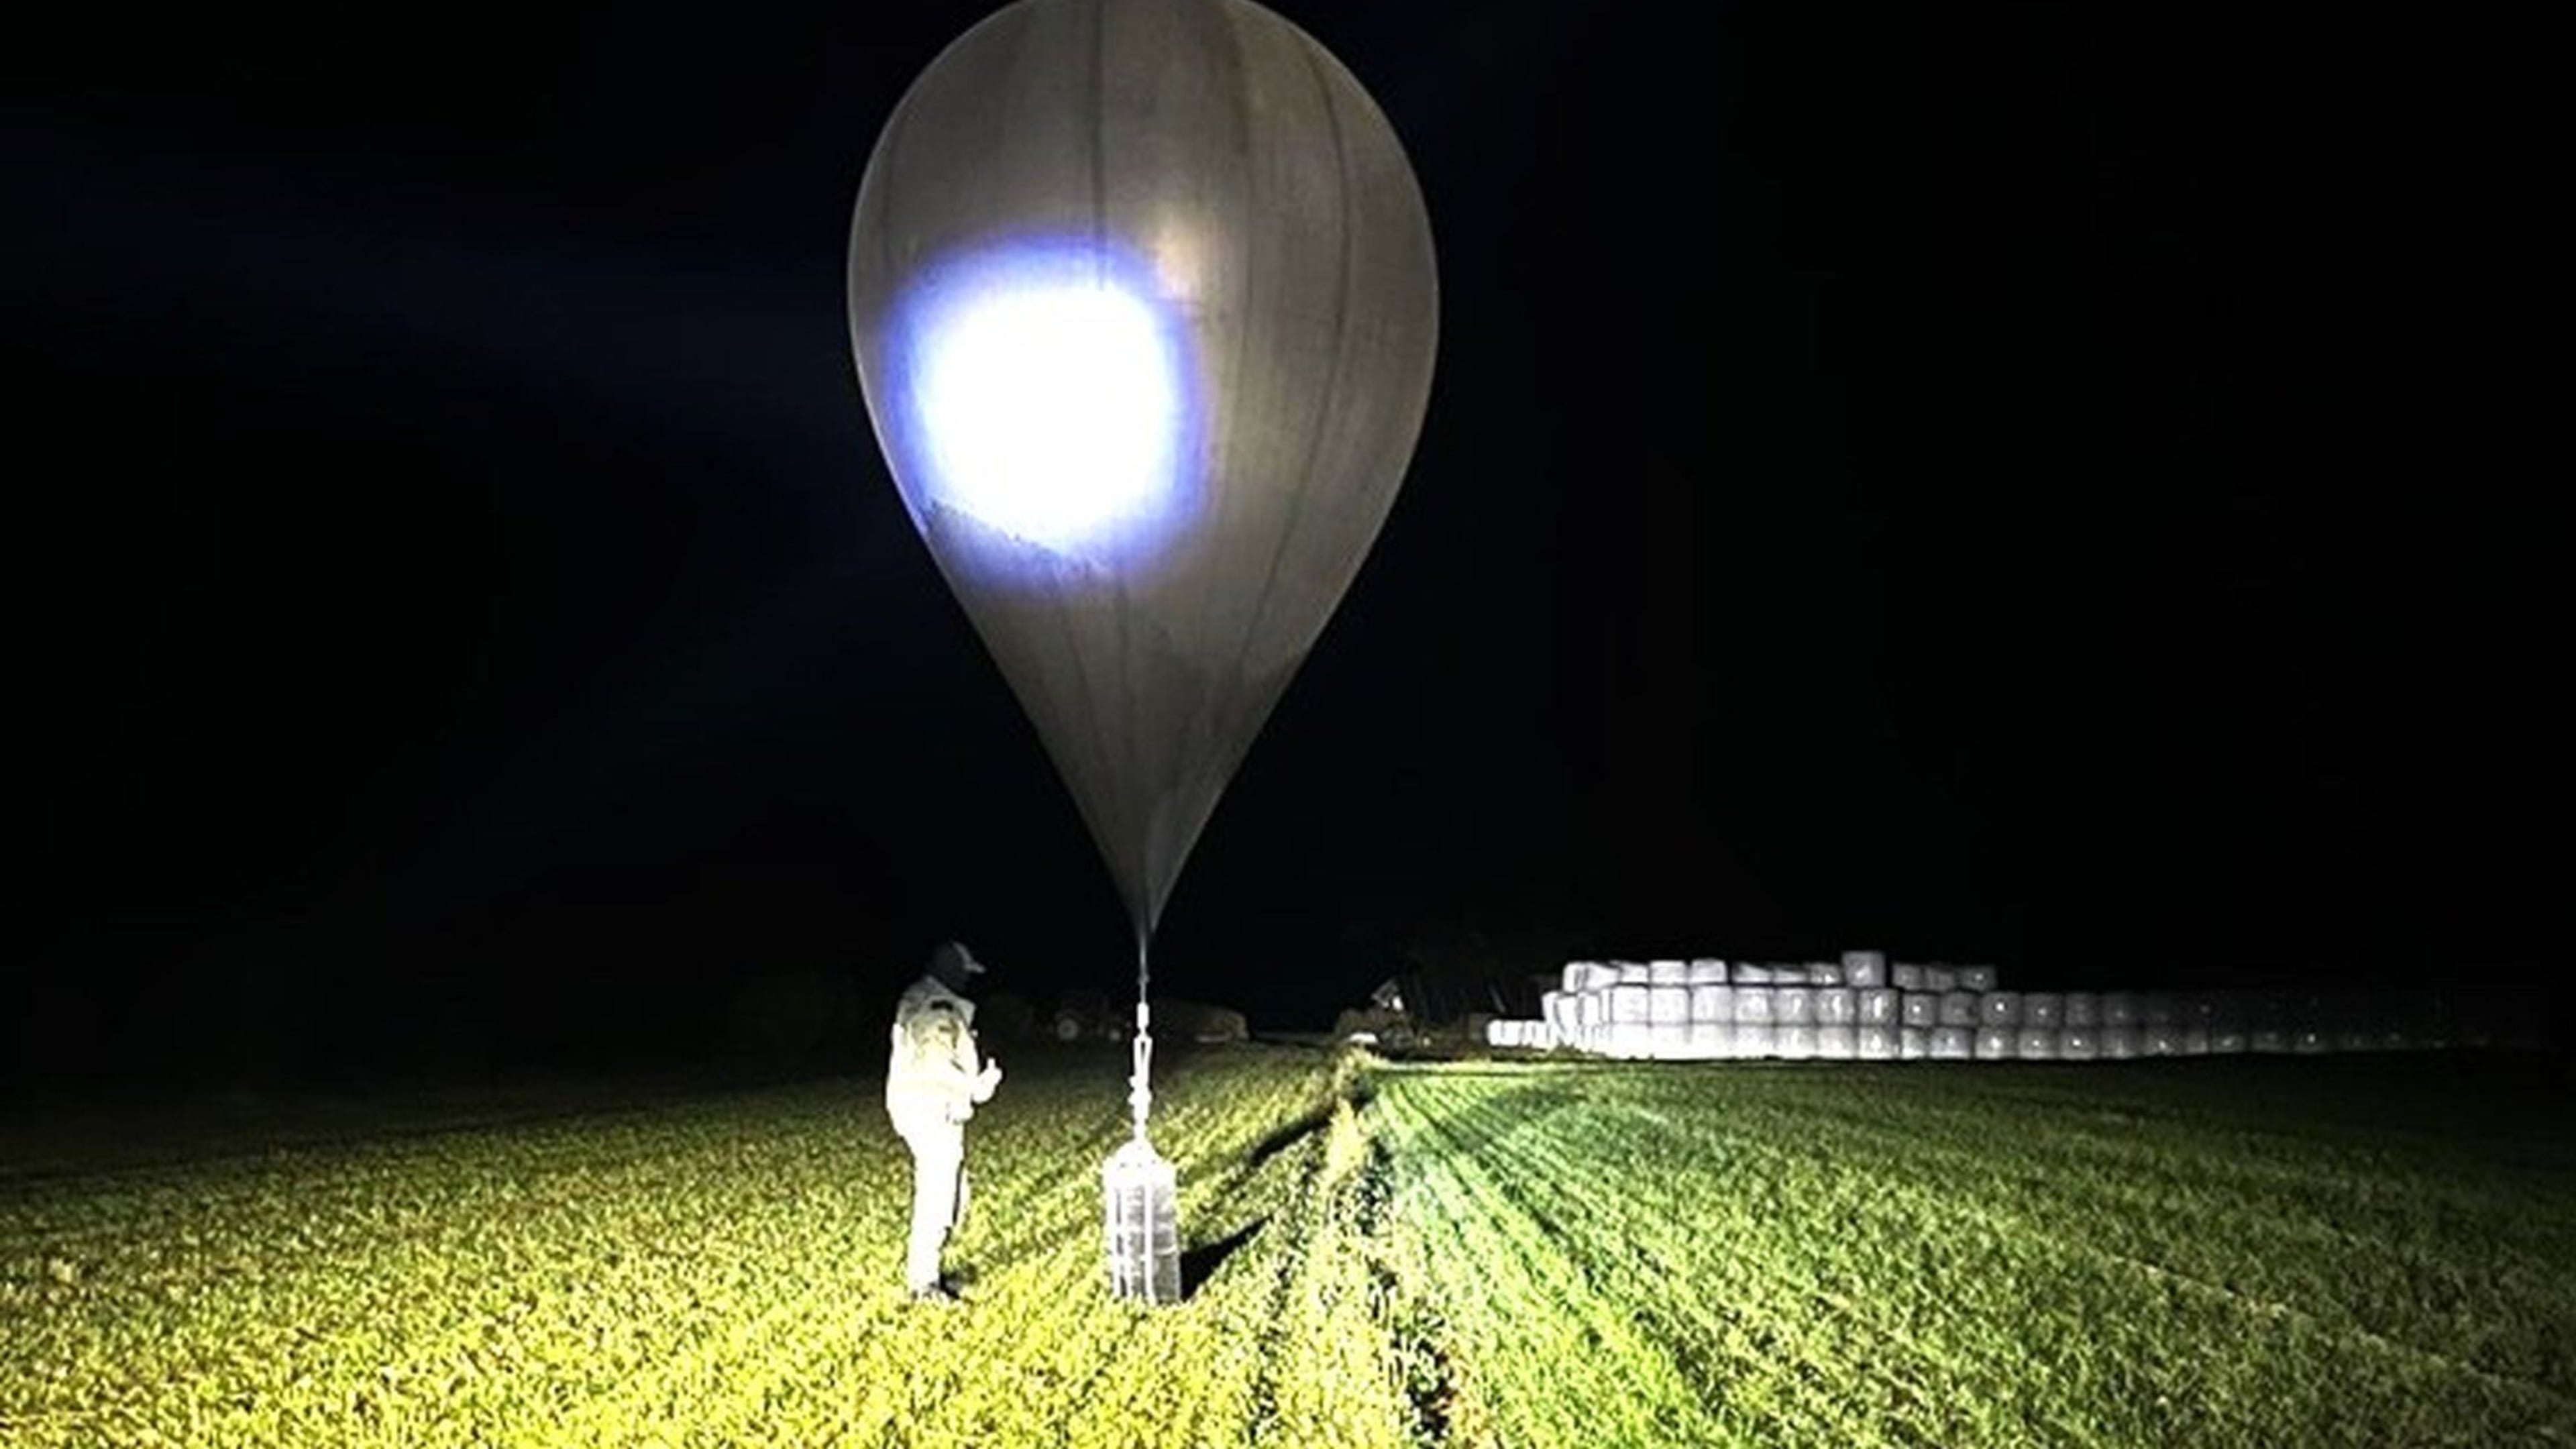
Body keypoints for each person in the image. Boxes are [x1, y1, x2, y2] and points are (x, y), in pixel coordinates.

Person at [884, 940, 1004, 1301]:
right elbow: (935, 1061)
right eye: (964, 973)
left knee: (953, 1195)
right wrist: (976, 1087)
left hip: (920, 1107)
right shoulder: (938, 1007)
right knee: (938, 1195)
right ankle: (924, 1284)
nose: (968, 981)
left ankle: (930, 1269)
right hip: (932, 1110)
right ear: (949, 970)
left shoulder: (918, 997)